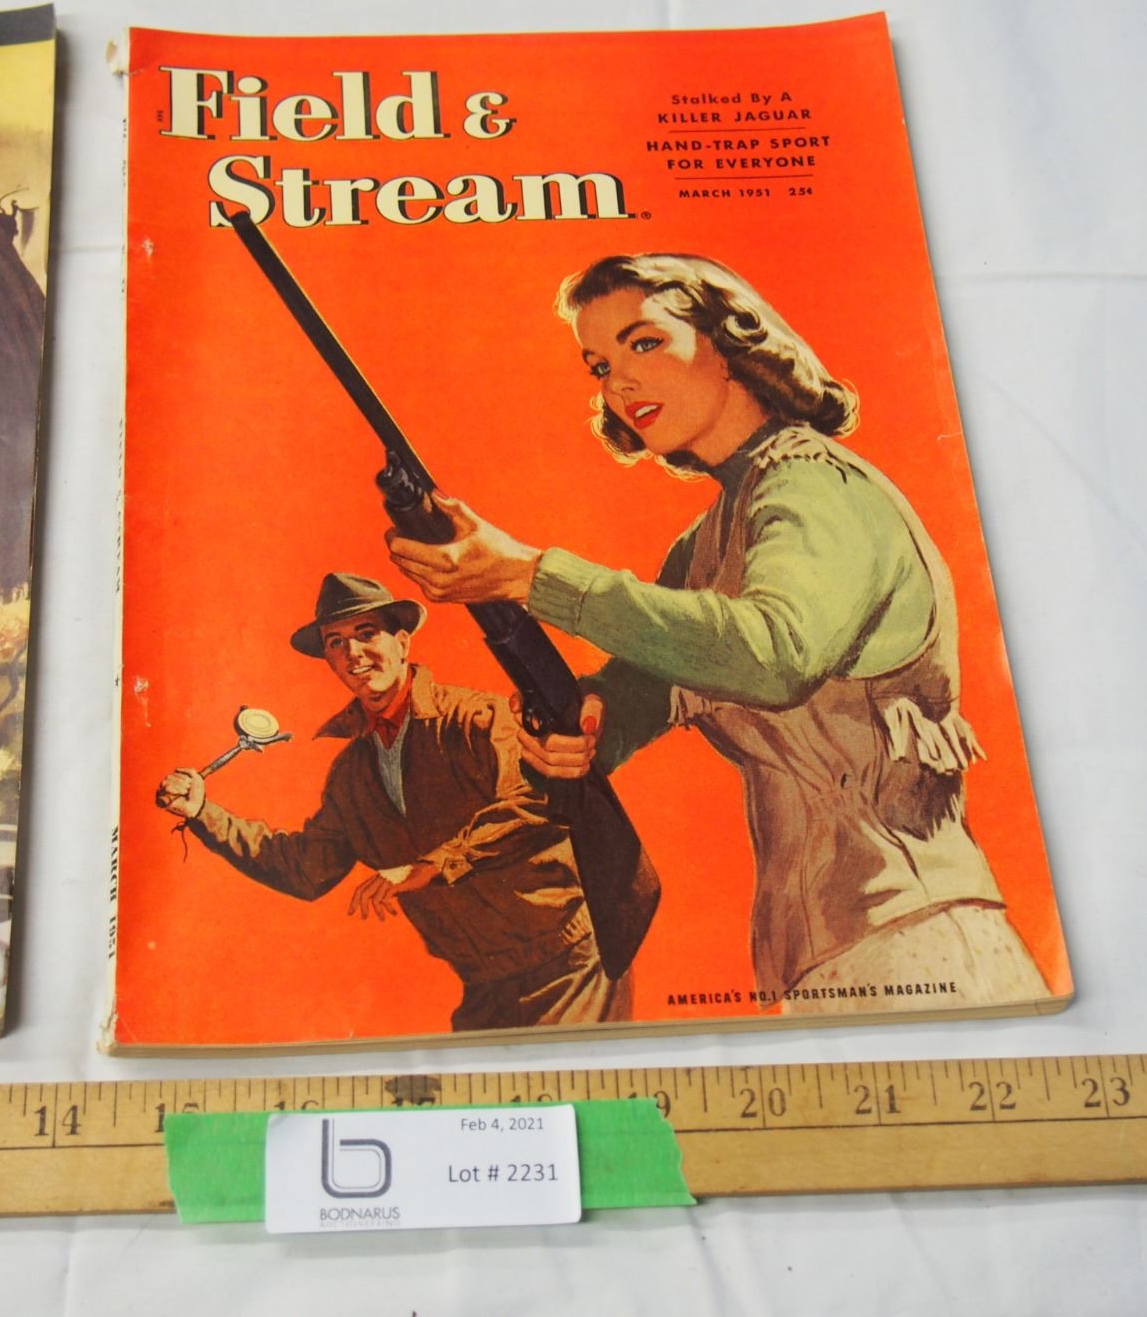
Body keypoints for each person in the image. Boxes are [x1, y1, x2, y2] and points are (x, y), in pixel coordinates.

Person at [387, 253, 1050, 1013]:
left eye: (644, 343)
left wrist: (531, 575)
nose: (618, 383)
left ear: (731, 343)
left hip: (919, 933)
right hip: (806, 957)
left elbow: (771, 654)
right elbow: (653, 684)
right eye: (600, 366)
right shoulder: (704, 546)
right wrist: (594, 721)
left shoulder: (818, 486)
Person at [154, 571, 630, 1032]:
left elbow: (537, 801)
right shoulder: (350, 777)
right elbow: (306, 869)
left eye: (367, 634)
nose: (353, 653)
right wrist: (203, 813)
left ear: (403, 643)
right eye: (336, 642)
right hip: (484, 986)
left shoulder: (477, 719)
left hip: (569, 966)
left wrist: (432, 865)